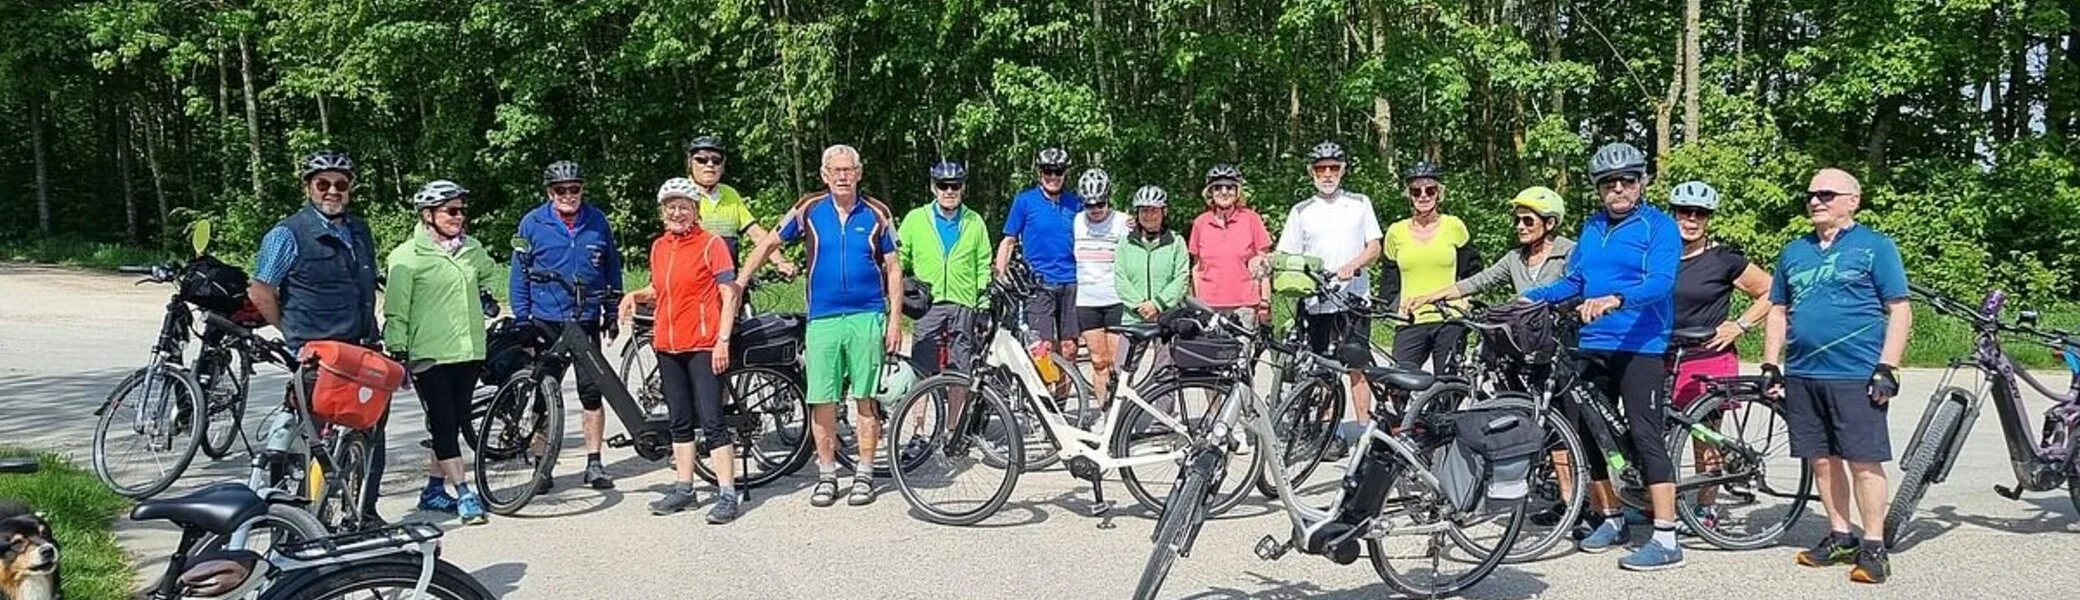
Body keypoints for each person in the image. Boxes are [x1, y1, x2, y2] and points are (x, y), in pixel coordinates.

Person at [1521, 141, 1685, 570]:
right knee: (1591, 432)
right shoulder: (1592, 227)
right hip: (1592, 344)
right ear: (1598, 188)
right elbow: (1574, 282)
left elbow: (1661, 283)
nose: (1618, 188)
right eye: (1608, 182)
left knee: (1645, 435)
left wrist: (1616, 298)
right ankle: (1612, 517)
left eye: (1627, 180)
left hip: (1640, 344)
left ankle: (1667, 537)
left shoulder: (1659, 226)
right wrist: (1528, 299)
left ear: (1642, 181)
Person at [1761, 168, 1910, 584]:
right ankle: (1840, 534)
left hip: (1855, 372)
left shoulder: (1875, 247)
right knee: (1822, 460)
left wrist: (1888, 366)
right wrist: (1771, 363)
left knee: (1863, 461)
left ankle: (1874, 544)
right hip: (1804, 372)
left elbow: (1899, 309)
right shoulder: (1794, 251)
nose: (1815, 201)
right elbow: (1777, 310)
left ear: (1852, 200)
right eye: (1810, 194)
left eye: (1826, 194)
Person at [740, 144, 902, 508]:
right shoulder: (809, 209)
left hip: (867, 315)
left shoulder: (876, 213)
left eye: (849, 170)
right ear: (825, 175)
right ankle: (827, 474)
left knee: (865, 398)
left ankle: (863, 473)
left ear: (859, 173)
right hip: (824, 318)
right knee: (822, 400)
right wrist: (741, 279)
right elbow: (768, 242)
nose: (843, 176)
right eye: (836, 170)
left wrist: (894, 319)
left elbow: (893, 268)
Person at [248, 150, 387, 528]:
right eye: (322, 184)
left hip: (361, 348)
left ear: (350, 189)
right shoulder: (287, 234)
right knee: (314, 440)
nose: (332, 191)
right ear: (308, 187)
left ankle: (364, 514)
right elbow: (261, 290)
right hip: (318, 355)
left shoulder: (359, 230)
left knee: (371, 430)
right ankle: (303, 522)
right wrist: (291, 333)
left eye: (341, 184)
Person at [617, 178, 747, 523]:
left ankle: (727, 494)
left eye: (684, 207)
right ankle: (684, 488)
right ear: (663, 212)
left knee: (712, 420)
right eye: (671, 207)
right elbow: (660, 288)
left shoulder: (711, 244)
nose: (677, 213)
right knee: (679, 420)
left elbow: (729, 294)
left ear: (695, 212)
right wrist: (635, 295)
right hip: (668, 344)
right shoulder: (660, 246)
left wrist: (722, 339)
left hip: (703, 344)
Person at [382, 180, 502, 526]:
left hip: (468, 350)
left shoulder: (471, 248)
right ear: (428, 215)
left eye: (462, 210)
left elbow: (489, 273)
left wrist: (486, 292)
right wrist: (398, 351)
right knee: (444, 423)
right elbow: (396, 310)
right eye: (451, 210)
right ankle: (464, 492)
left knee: (455, 418)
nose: (459, 216)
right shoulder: (406, 256)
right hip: (428, 355)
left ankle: (434, 489)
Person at [1664, 180, 1774, 529]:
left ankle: (1706, 507)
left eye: (1700, 213)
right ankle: (1660, 501)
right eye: (1685, 211)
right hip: (1663, 354)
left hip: (1707, 356)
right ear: (1674, 214)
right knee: (1657, 432)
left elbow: (1773, 291)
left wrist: (1740, 325)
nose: (1691, 219)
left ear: (1709, 218)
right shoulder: (1659, 256)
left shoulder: (1723, 259)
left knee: (1703, 435)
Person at [510, 160, 624, 492]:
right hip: (547, 320)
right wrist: (522, 320)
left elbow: (611, 268)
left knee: (592, 392)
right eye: (561, 190)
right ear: (550, 192)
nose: (568, 195)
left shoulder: (597, 221)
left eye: (574, 188)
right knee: (545, 393)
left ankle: (594, 462)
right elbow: (519, 275)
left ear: (582, 190)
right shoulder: (532, 223)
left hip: (586, 318)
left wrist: (612, 310)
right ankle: (542, 466)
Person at [1275, 141, 1383, 460]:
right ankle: (1330, 432)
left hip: (1353, 297)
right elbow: (1286, 254)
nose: (1327, 174)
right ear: (1312, 172)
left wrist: (1355, 264)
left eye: (1333, 168)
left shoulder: (1359, 203)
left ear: (1343, 170)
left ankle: (1364, 430)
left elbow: (1375, 246)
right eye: (1321, 168)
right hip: (1316, 299)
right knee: (1322, 368)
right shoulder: (1301, 210)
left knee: (1357, 365)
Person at [995, 148, 1086, 391]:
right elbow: (1009, 240)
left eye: (1058, 171)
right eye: (1047, 171)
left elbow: (1101, 222)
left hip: (1071, 281)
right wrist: (999, 275)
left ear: (1065, 173)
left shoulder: (1077, 203)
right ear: (1039, 172)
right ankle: (1046, 402)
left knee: (1068, 349)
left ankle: (1064, 406)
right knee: (1042, 348)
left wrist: (1129, 223)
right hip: (1038, 284)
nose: (1052, 176)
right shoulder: (1024, 201)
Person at [1378, 161, 1480, 375]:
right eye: (1416, 191)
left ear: (1438, 194)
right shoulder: (1396, 232)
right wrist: (1392, 308)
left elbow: (1473, 269)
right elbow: (1389, 279)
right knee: (1398, 383)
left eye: (1430, 190)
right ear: (1410, 195)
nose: (1423, 196)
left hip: (1449, 317)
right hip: (1411, 318)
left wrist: (1466, 302)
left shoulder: (1454, 226)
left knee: (1448, 386)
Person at [896, 161, 992, 377]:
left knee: (960, 372)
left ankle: (955, 413)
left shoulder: (974, 221)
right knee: (921, 371)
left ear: (963, 187)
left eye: (955, 186)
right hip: (928, 304)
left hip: (964, 304)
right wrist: (898, 287)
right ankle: (919, 413)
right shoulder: (915, 219)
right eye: (943, 185)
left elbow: (983, 264)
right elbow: (899, 259)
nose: (949, 191)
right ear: (933, 187)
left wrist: (983, 304)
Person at [683, 136, 797, 275]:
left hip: (728, 278)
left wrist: (780, 261)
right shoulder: (681, 193)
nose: (710, 165)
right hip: (693, 278)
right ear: (690, 163)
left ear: (723, 165)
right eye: (702, 160)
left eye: (716, 160)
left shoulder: (730, 194)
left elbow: (755, 233)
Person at [1115, 185, 1189, 384]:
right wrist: (1140, 304)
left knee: (1166, 375)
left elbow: (1181, 278)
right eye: (1144, 210)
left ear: (1164, 212)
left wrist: (1157, 304)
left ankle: (1162, 415)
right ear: (1137, 213)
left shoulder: (1176, 242)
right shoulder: (1125, 243)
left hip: (1165, 317)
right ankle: (1117, 415)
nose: (1149, 215)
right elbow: (1120, 278)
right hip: (1134, 317)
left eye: (1154, 210)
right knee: (1121, 373)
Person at [1071, 169, 1130, 403]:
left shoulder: (1123, 222)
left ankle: (1121, 417)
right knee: (1099, 362)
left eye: (1100, 204)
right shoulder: (1077, 221)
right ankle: (1106, 416)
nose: (1095, 210)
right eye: (1089, 205)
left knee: (1118, 363)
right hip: (1087, 300)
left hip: (1115, 298)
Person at [1188, 164, 1272, 324]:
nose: (1224, 192)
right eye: (1218, 187)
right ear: (1210, 192)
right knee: (1211, 348)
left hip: (1245, 305)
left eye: (1230, 187)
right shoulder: (1200, 223)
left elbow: (1264, 264)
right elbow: (1197, 268)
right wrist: (1198, 304)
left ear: (1237, 191)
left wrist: (1265, 303)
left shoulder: (1251, 219)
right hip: (1209, 306)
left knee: (1242, 348)